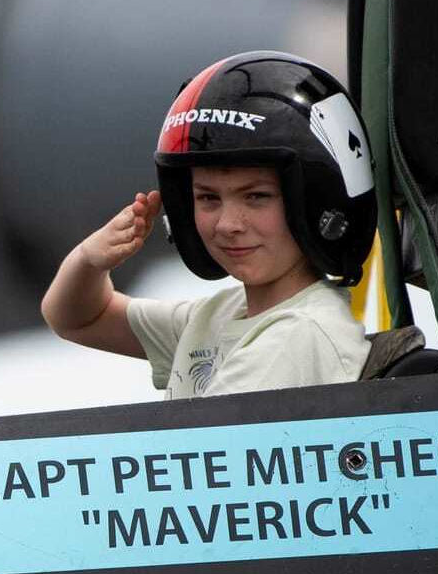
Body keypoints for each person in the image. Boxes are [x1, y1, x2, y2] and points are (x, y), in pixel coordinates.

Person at [41, 51, 378, 399]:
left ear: (317, 200)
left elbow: (207, 446)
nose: (228, 224)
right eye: (208, 199)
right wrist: (89, 261)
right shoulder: (219, 318)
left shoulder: (298, 334)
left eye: (256, 197)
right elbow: (77, 318)